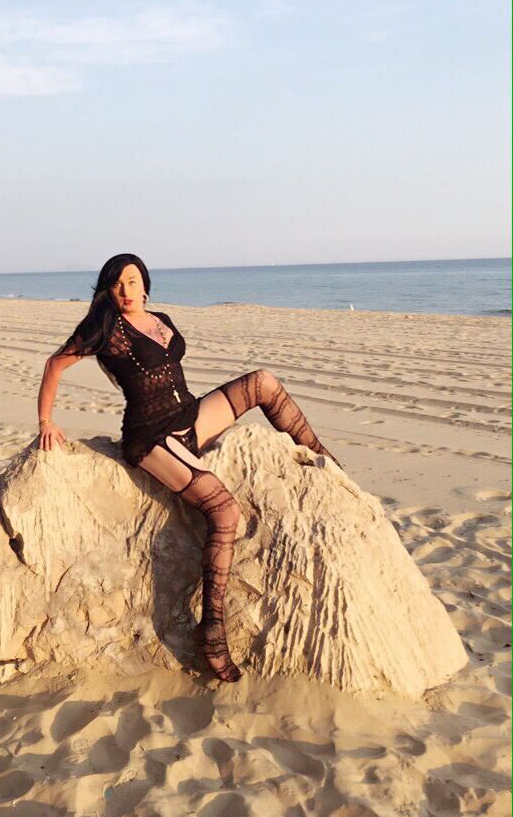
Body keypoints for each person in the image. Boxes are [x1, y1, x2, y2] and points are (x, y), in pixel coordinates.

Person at [37, 254, 340, 683]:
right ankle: (210, 630)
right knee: (224, 511)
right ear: (108, 290)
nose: (125, 291)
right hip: (150, 436)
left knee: (263, 382)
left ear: (145, 285)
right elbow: (55, 364)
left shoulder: (160, 319)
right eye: (117, 284)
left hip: (190, 417)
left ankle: (325, 459)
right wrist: (46, 421)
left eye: (132, 281)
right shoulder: (105, 329)